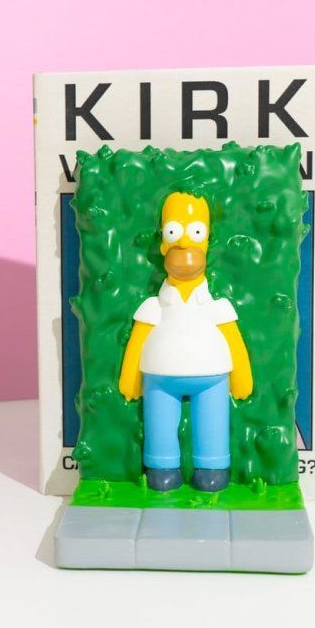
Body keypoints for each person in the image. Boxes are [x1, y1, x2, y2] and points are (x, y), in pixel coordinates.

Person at [118, 192, 253, 492]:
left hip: (212, 376)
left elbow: (234, 341)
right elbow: (138, 341)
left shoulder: (217, 307)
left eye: (195, 233)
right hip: (160, 376)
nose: (184, 246)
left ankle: (212, 466)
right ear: (163, 243)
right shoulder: (154, 306)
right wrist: (130, 380)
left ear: (206, 241)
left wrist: (242, 378)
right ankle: (161, 465)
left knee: (212, 421)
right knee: (160, 422)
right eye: (173, 233)